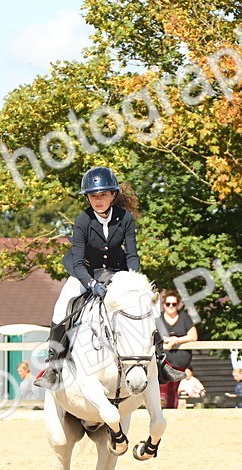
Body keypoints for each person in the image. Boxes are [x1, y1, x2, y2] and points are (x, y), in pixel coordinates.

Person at [35, 166, 185, 389]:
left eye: (103, 195)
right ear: (87, 197)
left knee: (148, 304)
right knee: (62, 304)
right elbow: (77, 262)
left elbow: (132, 255)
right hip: (85, 270)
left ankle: (162, 361)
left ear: (113, 195)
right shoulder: (82, 221)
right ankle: (55, 366)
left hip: (117, 271)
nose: (98, 200)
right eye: (93, 196)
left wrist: (133, 282)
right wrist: (91, 284)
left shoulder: (125, 218)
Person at [155, 291, 198, 408]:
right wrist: (167, 340)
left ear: (178, 305)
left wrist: (176, 340)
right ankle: (160, 411)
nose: (171, 307)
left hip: (180, 360)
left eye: (174, 304)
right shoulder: (158, 319)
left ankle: (172, 412)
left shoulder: (184, 317)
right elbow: (153, 336)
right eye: (168, 304)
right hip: (163, 359)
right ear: (164, 305)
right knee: (162, 388)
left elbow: (193, 336)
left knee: (174, 388)